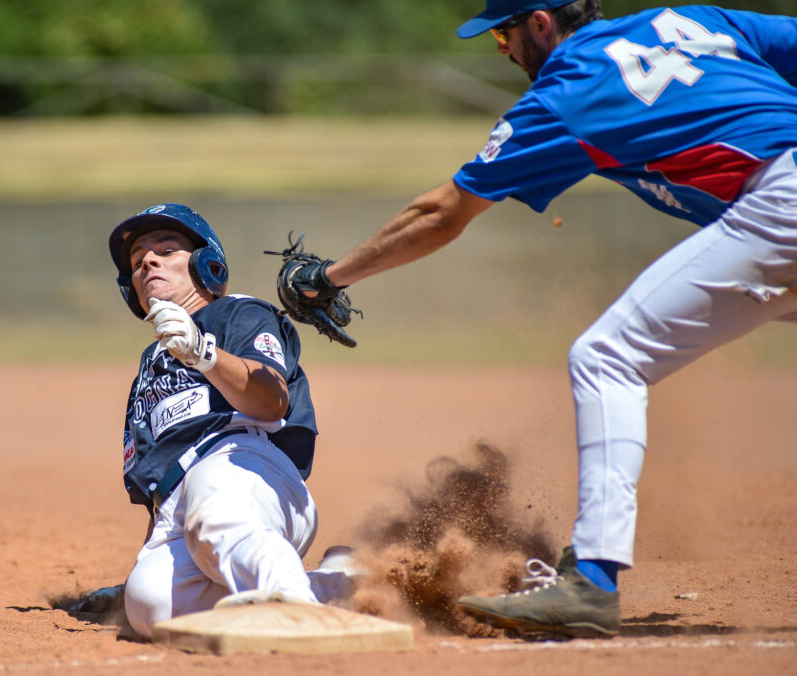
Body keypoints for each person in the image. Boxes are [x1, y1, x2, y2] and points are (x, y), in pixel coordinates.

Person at [293, 1, 797, 638]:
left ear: (539, 21)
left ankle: (591, 582)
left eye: (503, 33)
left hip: (781, 203)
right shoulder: (690, 20)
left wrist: (328, 279)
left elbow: (441, 213)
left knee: (607, 356)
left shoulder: (569, 89)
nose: (500, 49)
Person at [93, 203, 354, 640]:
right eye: (138, 261)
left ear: (205, 264)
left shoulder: (238, 313)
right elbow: (159, 484)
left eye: (166, 250)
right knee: (151, 603)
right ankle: (341, 584)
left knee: (216, 500)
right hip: (181, 504)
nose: (148, 262)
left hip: (246, 469)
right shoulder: (150, 365)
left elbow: (270, 400)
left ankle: (296, 612)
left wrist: (203, 352)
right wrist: (144, 565)